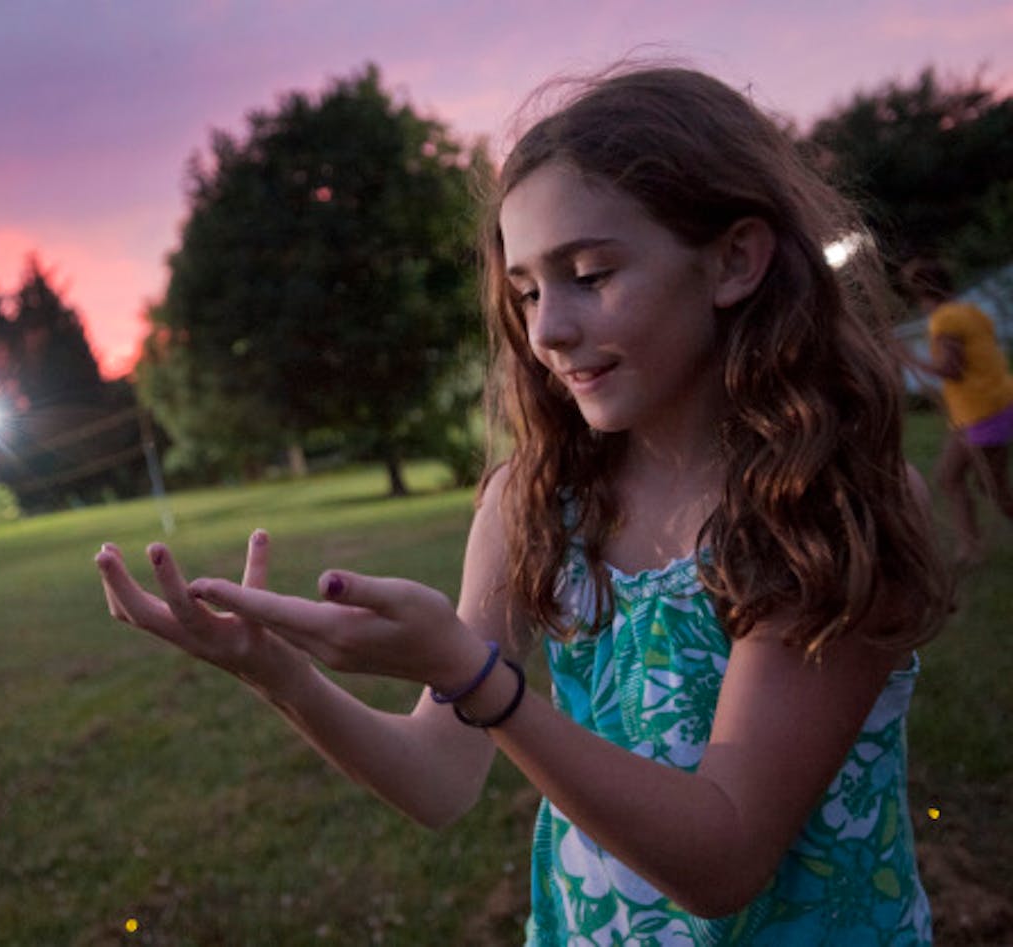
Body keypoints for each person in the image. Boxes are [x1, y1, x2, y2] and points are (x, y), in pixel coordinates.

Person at [95, 65, 951, 944]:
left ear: (734, 260)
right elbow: (439, 778)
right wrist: (279, 675)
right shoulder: (537, 505)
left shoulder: (827, 505)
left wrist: (477, 680)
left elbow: (725, 857)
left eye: (589, 274)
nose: (547, 332)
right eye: (530, 291)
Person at [905, 257, 1013, 566]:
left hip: (982, 412)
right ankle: (969, 549)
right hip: (992, 404)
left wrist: (908, 359)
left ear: (922, 294)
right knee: (961, 479)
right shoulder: (971, 311)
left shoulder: (945, 319)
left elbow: (950, 368)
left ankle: (969, 549)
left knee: (982, 486)